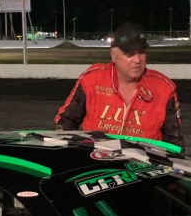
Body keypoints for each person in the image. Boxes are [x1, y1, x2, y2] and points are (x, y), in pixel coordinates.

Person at [54, 22, 184, 150]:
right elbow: (65, 122)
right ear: (113, 55)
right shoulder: (92, 79)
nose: (138, 60)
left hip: (143, 167)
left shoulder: (164, 88)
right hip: (97, 164)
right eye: (130, 54)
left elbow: (175, 143)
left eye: (142, 52)